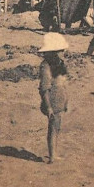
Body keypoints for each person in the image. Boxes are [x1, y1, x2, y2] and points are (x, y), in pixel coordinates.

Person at [38, 32, 69, 163]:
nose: (63, 52)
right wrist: (48, 106)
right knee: (53, 128)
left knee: (57, 127)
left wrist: (66, 101)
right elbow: (44, 88)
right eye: (61, 50)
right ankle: (52, 156)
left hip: (60, 99)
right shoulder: (46, 66)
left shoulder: (60, 64)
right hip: (52, 100)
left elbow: (63, 85)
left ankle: (54, 154)